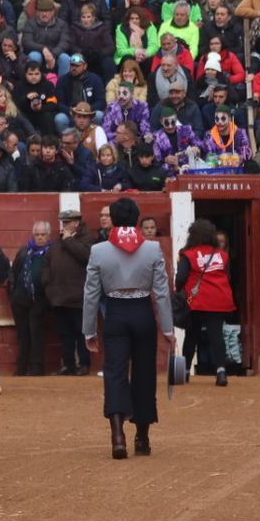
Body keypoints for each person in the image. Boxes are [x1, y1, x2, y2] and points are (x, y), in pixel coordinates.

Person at [82, 196, 172, 459]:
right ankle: (142, 437)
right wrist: (168, 328)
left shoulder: (99, 250)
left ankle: (117, 436)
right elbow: (163, 293)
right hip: (142, 311)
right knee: (144, 373)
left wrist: (88, 330)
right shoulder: (152, 250)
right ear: (136, 219)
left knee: (114, 372)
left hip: (116, 313)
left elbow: (90, 294)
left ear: (112, 219)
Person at [175, 218, 234, 388]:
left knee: (191, 336)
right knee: (216, 335)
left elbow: (181, 278)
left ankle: (184, 373)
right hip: (219, 299)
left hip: (196, 300)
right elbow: (228, 277)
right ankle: (221, 372)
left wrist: (179, 290)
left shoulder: (188, 254)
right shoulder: (222, 255)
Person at [47, 208, 95, 375]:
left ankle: (84, 364)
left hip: (78, 296)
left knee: (81, 332)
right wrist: (49, 287)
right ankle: (68, 364)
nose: (64, 226)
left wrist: (68, 241)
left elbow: (87, 257)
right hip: (59, 296)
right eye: (63, 223)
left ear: (76, 223)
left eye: (67, 222)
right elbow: (48, 263)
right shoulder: (57, 242)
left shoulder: (87, 239)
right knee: (65, 334)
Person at [8, 221, 53, 377]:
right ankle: (21, 368)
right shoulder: (25, 251)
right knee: (22, 334)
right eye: (37, 234)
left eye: (43, 235)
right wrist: (13, 293)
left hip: (40, 299)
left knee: (36, 333)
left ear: (48, 235)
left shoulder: (52, 252)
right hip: (20, 299)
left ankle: (36, 369)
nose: (39, 238)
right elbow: (13, 272)